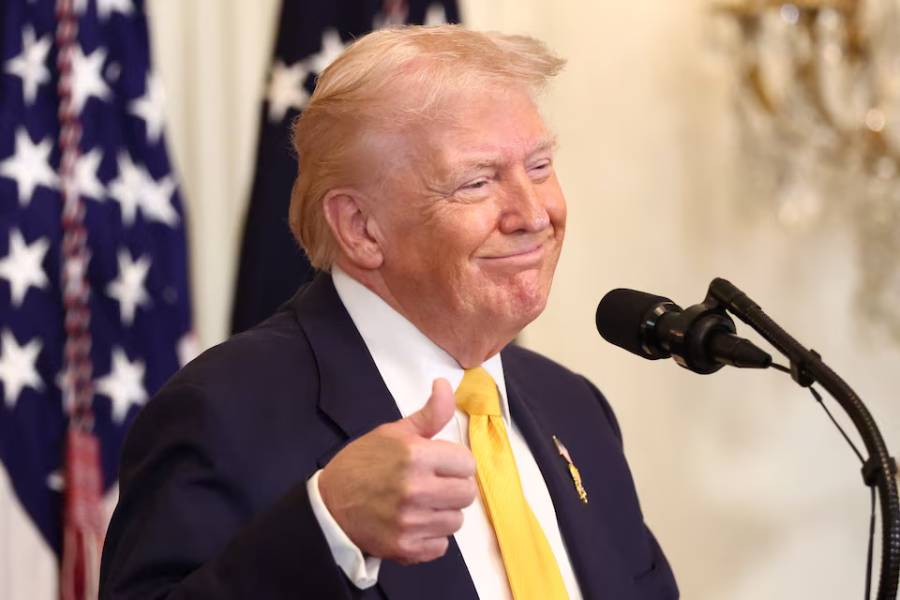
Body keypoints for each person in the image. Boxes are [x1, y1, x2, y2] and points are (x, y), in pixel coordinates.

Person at [99, 25, 678, 600]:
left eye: (540, 167)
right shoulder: (224, 411)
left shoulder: (574, 409)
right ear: (360, 228)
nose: (532, 214)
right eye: (477, 183)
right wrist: (329, 529)